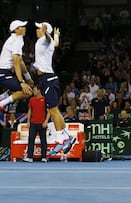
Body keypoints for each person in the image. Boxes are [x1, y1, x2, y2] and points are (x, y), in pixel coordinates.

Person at [32, 22, 76, 156]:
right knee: (55, 110)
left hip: (48, 79)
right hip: (46, 80)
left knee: (52, 110)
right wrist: (56, 35)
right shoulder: (47, 42)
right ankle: (68, 136)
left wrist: (48, 33)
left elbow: (49, 39)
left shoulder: (44, 40)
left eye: (39, 28)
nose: (36, 30)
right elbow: (55, 43)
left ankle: (61, 139)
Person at [0, 20, 33, 117]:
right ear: (16, 29)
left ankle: (1, 97)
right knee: (28, 92)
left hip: (5, 73)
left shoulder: (18, 39)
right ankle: (1, 103)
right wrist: (22, 82)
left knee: (26, 89)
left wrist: (28, 78)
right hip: (2, 74)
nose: (25, 28)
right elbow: (16, 62)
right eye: (22, 26)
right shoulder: (16, 40)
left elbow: (21, 61)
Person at [23, 86, 48, 163]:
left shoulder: (44, 99)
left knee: (43, 140)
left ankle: (44, 157)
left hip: (42, 123)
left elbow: (49, 111)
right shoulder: (32, 100)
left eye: (34, 90)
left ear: (39, 90)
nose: (33, 91)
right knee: (31, 140)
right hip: (33, 123)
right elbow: (30, 110)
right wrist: (28, 121)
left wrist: (46, 121)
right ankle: (30, 157)